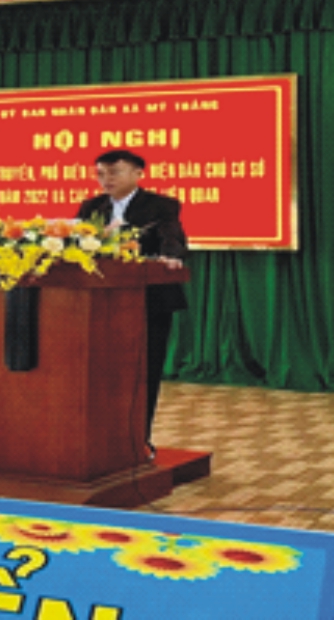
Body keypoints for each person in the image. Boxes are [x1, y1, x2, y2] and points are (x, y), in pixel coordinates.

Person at [76, 149, 187, 458]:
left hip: (148, 301)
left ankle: (138, 439)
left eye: (115, 172)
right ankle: (101, 441)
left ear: (138, 173)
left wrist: (171, 256)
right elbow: (75, 244)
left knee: (143, 374)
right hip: (98, 305)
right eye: (101, 173)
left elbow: (172, 236)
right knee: (99, 376)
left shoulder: (161, 205)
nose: (106, 179)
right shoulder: (91, 207)